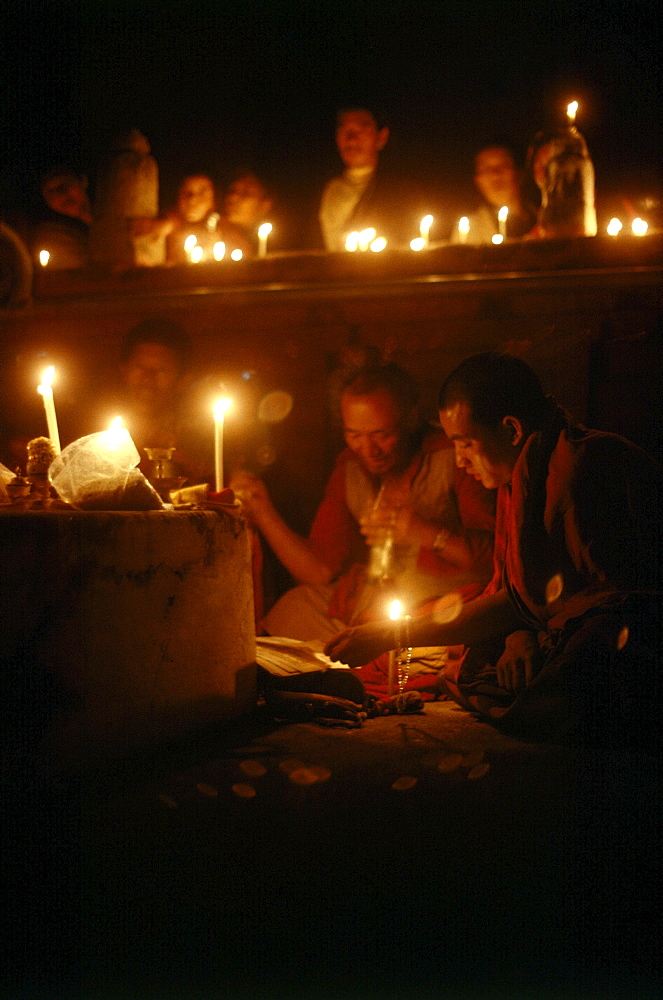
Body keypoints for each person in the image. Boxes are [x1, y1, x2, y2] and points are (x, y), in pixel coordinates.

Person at [325, 352, 663, 748]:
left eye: (465, 444)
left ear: (511, 430)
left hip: (631, 631)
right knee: (471, 664)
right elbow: (522, 594)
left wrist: (396, 633)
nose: (459, 460)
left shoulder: (578, 469)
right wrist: (519, 634)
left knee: (579, 672)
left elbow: (604, 602)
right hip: (566, 625)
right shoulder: (522, 473)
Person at [231, 362, 496, 695]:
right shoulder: (350, 467)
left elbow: (492, 559)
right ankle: (371, 653)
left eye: (382, 435)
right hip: (375, 603)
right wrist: (264, 511)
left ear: (410, 419)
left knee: (452, 629)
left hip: (443, 603)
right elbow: (319, 569)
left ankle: (376, 657)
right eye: (354, 435)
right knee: (294, 607)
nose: (368, 450)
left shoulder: (453, 457)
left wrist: (423, 532)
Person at [94, 318, 213, 485]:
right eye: (139, 367)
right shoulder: (96, 438)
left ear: (183, 380)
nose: (148, 379)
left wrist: (188, 465)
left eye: (161, 370)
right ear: (124, 369)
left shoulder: (201, 441)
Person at [316, 107, 421, 252]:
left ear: (381, 137)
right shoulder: (323, 192)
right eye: (344, 130)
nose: (351, 139)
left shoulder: (402, 193)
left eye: (361, 129)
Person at [451, 144, 536, 244]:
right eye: (486, 169)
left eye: (504, 165)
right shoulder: (468, 230)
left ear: (520, 173)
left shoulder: (546, 220)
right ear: (478, 181)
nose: (495, 174)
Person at [164, 173, 251, 264]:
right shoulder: (166, 227)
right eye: (186, 192)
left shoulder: (229, 233)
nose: (192, 200)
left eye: (202, 193)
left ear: (214, 199)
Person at [31, 165, 93, 269]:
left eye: (64, 184)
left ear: (83, 181)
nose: (60, 195)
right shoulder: (53, 237)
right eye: (50, 191)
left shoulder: (116, 215)